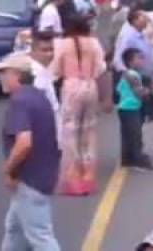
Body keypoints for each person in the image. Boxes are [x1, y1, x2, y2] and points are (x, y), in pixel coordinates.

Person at [0, 53, 61, 251]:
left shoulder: (19, 101)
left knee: (40, 236)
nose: (0, 78)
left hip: (29, 179)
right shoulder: (38, 97)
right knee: (15, 230)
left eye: (4, 73)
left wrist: (8, 169)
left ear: (17, 75)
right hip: (42, 174)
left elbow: (24, 143)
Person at [51, 15, 106, 195]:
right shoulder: (94, 43)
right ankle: (88, 178)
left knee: (71, 133)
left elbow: (56, 70)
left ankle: (73, 179)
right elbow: (100, 68)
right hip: (90, 85)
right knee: (89, 134)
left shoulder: (62, 44)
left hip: (71, 87)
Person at [118, 48, 153, 170]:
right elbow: (140, 93)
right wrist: (150, 88)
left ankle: (127, 159)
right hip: (130, 108)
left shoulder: (127, 74)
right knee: (135, 134)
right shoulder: (132, 76)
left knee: (127, 134)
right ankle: (137, 159)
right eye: (138, 58)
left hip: (125, 107)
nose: (142, 60)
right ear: (130, 61)